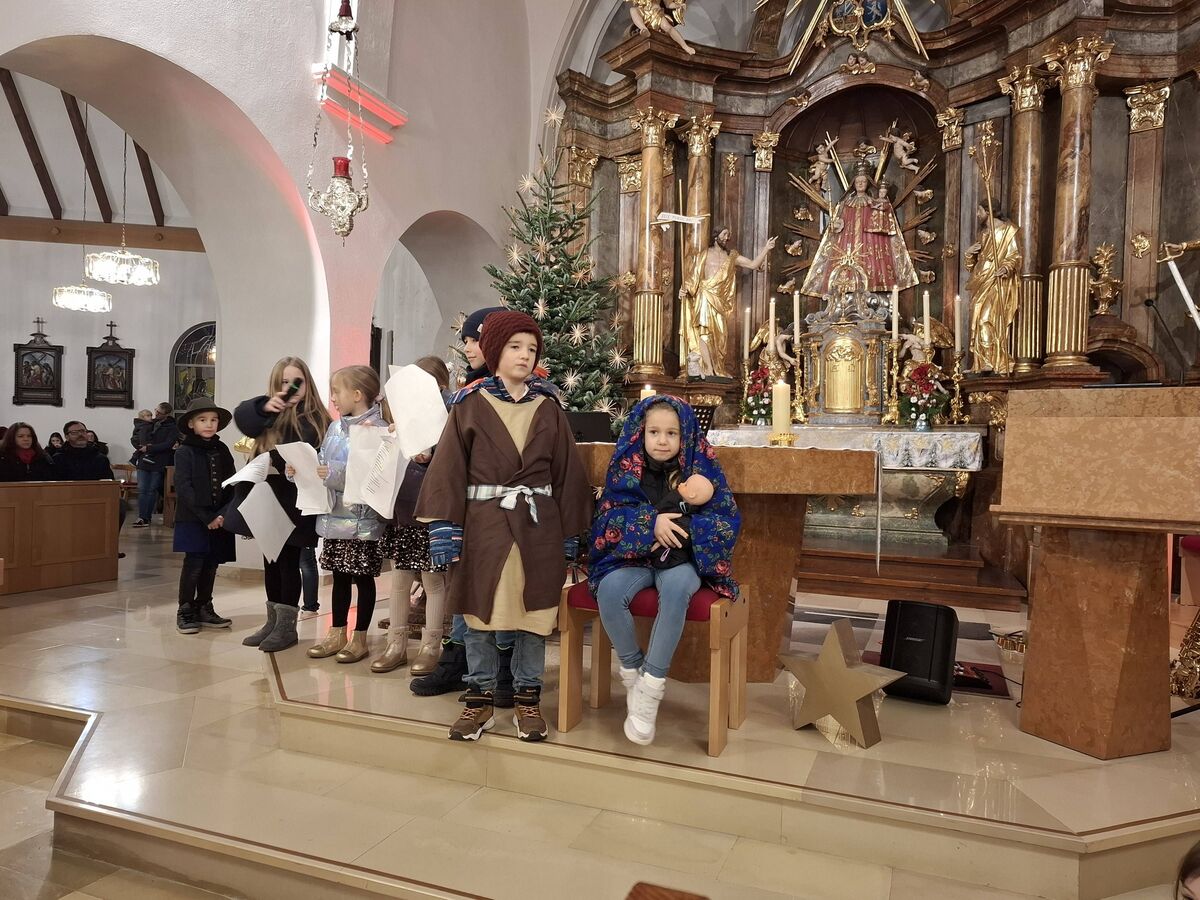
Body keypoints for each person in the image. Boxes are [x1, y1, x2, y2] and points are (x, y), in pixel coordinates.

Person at [417, 310, 593, 742]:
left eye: (532, 348)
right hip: (484, 527)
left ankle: (526, 701)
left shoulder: (549, 408)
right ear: (495, 351)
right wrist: (446, 530)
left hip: (538, 528)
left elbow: (567, 475)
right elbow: (448, 470)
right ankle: (478, 702)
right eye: (515, 346)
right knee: (479, 614)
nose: (525, 355)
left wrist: (569, 535)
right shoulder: (469, 405)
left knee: (533, 615)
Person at [589, 395, 741, 745]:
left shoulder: (700, 470)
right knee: (610, 590)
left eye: (671, 433)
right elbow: (606, 519)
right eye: (654, 432)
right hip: (633, 559)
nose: (662, 440)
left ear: (685, 435)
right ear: (640, 433)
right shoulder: (626, 469)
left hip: (682, 560)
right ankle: (633, 673)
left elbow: (726, 521)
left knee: (676, 589)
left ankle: (652, 685)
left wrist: (682, 529)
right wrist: (650, 524)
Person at [409, 309, 519, 702]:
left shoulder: (520, 392)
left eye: (474, 339)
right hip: (468, 505)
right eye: (467, 340)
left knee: (499, 590)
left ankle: (503, 670)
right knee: (463, 586)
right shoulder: (468, 391)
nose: (467, 347)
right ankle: (459, 661)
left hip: (502, 508)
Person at [230, 357, 331, 653]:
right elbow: (244, 419)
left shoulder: (315, 417)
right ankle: (272, 621)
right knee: (271, 561)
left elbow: (311, 452)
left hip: (297, 502)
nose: (291, 388)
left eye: (297, 382)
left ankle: (287, 627)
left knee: (288, 562)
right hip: (270, 498)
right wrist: (265, 406)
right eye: (284, 382)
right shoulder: (272, 414)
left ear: (307, 383)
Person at [299, 366, 388, 664]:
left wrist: (332, 473)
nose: (333, 398)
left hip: (362, 520)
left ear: (358, 394)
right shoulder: (335, 428)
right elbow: (322, 461)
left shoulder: (378, 429)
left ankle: (359, 637)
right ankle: (336, 632)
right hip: (333, 516)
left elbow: (374, 477)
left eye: (337, 392)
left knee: (362, 578)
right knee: (339, 576)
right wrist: (300, 469)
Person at [374, 356, 452, 675]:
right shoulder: (405, 416)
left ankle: (431, 645)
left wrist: (429, 455)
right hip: (403, 511)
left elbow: (452, 465)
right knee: (400, 579)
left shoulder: (448, 420)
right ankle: (396, 644)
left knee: (433, 580)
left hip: (430, 513)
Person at [801, 159, 919, 297]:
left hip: (869, 242)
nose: (860, 184)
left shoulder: (873, 202)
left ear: (868, 183)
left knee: (872, 263)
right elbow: (838, 224)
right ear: (854, 184)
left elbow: (883, 220)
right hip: (847, 242)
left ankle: (871, 285)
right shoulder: (845, 204)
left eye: (863, 181)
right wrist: (836, 224)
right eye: (858, 182)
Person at [171, 398, 236, 635]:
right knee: (194, 563)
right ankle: (185, 610)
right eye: (202, 420)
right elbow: (184, 487)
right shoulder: (184, 451)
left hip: (219, 518)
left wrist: (222, 514)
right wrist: (206, 516)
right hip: (193, 518)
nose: (209, 424)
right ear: (191, 424)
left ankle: (204, 606)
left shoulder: (222, 449)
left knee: (211, 563)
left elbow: (231, 483)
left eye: (213, 420)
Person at [132, 402, 178, 527]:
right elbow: (136, 437)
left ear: (166, 414)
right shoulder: (149, 423)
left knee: (152, 490)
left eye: (159, 412)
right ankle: (142, 517)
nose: (156, 414)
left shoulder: (172, 427)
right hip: (144, 460)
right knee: (142, 489)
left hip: (159, 461)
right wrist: (139, 445)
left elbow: (168, 444)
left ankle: (147, 517)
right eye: (156, 410)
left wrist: (150, 448)